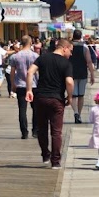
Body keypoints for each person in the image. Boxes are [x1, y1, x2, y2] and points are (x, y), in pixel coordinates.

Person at [26, 38, 74, 170]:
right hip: (56, 99)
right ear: (64, 48)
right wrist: (69, 97)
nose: (71, 54)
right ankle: (56, 161)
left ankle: (45, 154)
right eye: (70, 50)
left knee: (42, 129)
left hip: (40, 98)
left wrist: (29, 90)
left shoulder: (43, 58)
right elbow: (69, 82)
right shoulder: (66, 63)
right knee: (56, 132)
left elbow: (30, 72)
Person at [9, 36, 39, 139]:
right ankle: (35, 131)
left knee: (22, 110)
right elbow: (39, 71)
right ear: (30, 42)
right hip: (34, 85)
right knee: (36, 109)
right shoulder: (35, 56)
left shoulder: (15, 56)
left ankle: (24, 132)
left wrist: (13, 84)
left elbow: (12, 72)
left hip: (20, 85)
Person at [70, 29, 96, 124]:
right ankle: (79, 115)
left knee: (73, 96)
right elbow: (89, 61)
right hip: (82, 73)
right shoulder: (84, 47)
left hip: (71, 74)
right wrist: (92, 75)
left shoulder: (69, 46)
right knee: (81, 95)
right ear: (81, 37)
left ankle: (76, 112)